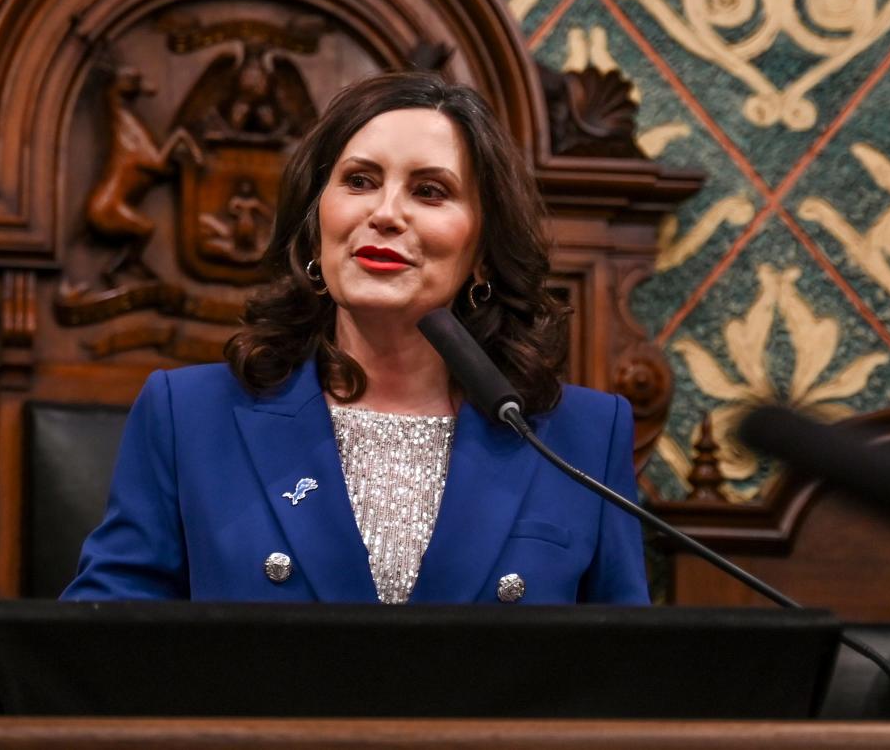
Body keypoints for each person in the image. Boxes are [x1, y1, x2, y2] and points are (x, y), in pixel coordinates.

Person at [62, 70, 648, 604]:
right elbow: (104, 647)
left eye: (430, 191)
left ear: (483, 254)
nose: (387, 213)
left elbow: (623, 680)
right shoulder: (188, 417)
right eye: (360, 181)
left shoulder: (581, 440)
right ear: (317, 226)